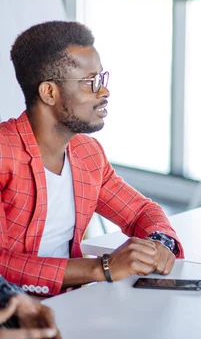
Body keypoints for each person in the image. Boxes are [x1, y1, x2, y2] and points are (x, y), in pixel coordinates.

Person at [0, 21, 184, 297]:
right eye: (90, 82)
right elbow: (2, 265)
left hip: (69, 304)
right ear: (49, 92)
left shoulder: (87, 153)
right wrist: (103, 268)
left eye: (102, 79)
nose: (104, 92)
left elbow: (139, 211)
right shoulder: (4, 153)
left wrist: (158, 244)